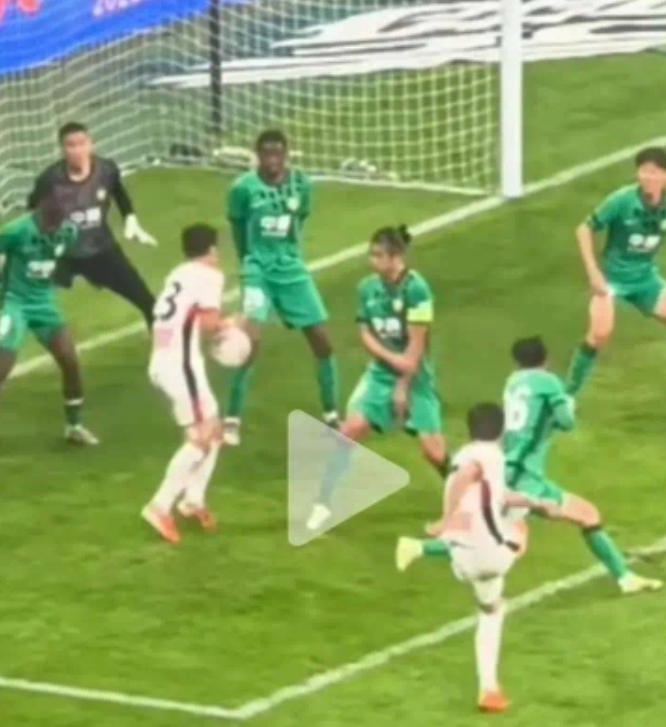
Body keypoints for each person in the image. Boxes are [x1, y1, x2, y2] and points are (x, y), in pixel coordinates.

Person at [0, 121, 158, 392]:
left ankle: (165, 356)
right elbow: (33, 215)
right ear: (62, 149)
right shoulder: (49, 180)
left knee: (147, 301)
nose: (77, 150)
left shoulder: (106, 169)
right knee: (17, 306)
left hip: (101, 251)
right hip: (59, 255)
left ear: (91, 144)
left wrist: (131, 219)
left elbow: (119, 192)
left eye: (81, 144)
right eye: (70, 145)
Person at [395, 403, 555, 713]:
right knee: (519, 525)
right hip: (490, 556)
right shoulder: (490, 455)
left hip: (462, 553)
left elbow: (497, 493)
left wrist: (537, 503)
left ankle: (490, 690)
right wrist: (445, 518)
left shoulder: (463, 454)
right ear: (501, 430)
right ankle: (488, 687)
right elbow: (468, 477)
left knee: (492, 609)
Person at [305, 225, 446, 532]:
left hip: (416, 379)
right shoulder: (367, 288)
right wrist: (389, 360)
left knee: (433, 452)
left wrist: (402, 386)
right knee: (349, 431)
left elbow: (415, 349)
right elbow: (364, 331)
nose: (372, 260)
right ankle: (322, 503)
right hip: (381, 374)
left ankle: (466, 495)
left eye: (378, 255)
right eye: (371, 254)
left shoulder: (417, 290)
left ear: (395, 257)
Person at [566, 146, 666, 403]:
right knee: (599, 334)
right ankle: (567, 396)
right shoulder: (622, 200)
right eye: (643, 171)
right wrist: (594, 272)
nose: (647, 177)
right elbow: (584, 229)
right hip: (611, 281)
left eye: (654, 172)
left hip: (646, 279)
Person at [504, 336, 661, 594]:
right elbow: (566, 423)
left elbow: (535, 422)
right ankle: (437, 551)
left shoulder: (512, 383)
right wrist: (567, 406)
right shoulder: (548, 382)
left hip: (510, 469)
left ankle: (625, 578)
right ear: (546, 359)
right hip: (526, 476)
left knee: (585, 515)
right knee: (510, 546)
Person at [0, 190, 98, 460]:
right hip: (15, 303)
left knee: (70, 359)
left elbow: (60, 255)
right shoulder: (16, 230)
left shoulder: (68, 230)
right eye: (52, 218)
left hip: (44, 303)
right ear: (41, 209)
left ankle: (74, 426)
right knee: (3, 365)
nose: (56, 224)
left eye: (60, 218)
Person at [224, 129, 340, 445]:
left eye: (277, 153)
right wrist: (248, 263)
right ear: (257, 155)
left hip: (291, 269)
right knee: (250, 342)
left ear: (286, 154)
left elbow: (300, 218)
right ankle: (232, 419)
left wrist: (288, 254)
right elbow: (237, 225)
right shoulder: (243, 188)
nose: (272, 159)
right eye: (266, 153)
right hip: (257, 272)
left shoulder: (301, 184)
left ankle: (332, 413)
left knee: (322, 340)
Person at [141, 224, 234, 544]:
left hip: (165, 360)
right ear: (212, 250)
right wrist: (232, 326)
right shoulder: (209, 275)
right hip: (180, 366)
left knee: (214, 429)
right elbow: (209, 324)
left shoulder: (178, 274)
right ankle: (159, 506)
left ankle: (193, 500)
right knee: (202, 435)